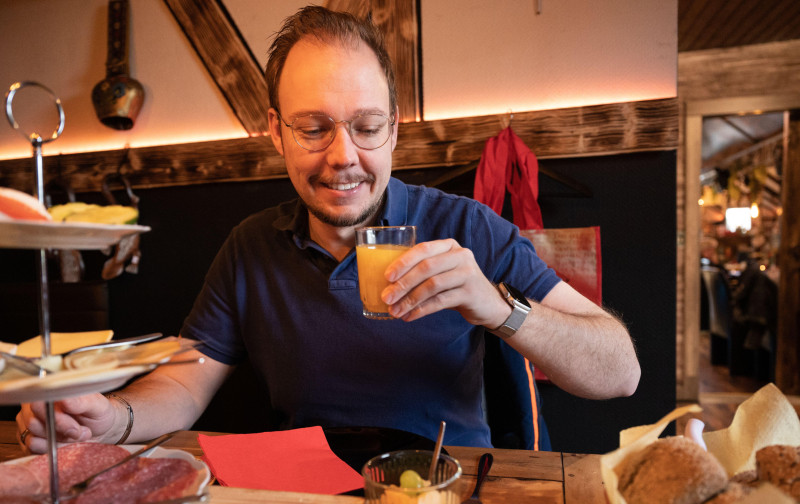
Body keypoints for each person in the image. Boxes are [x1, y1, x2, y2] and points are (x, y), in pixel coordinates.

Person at [16, 6, 640, 453]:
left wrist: (498, 308)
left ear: (394, 130)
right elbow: (185, 379)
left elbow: (621, 372)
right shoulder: (250, 247)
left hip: (447, 492)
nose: (343, 155)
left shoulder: (467, 228)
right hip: (304, 493)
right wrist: (109, 418)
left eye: (366, 127)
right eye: (313, 127)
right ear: (276, 131)